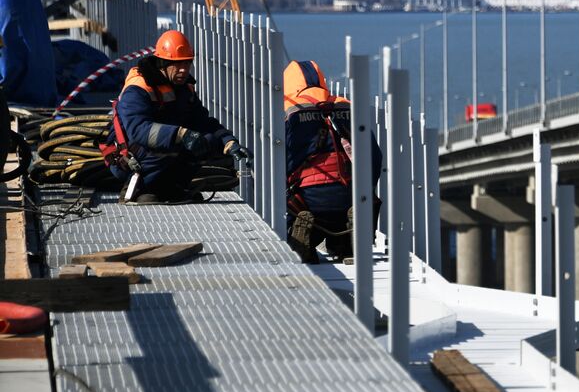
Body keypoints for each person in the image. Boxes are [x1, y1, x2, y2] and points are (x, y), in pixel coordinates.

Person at [105, 29, 249, 204]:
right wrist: (180, 134)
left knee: (207, 141)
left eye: (187, 64)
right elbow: (138, 130)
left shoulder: (183, 88)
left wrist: (228, 141)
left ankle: (172, 190)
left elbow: (202, 121)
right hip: (128, 157)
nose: (184, 69)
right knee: (173, 146)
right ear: (162, 63)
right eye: (177, 64)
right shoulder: (138, 88)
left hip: (156, 152)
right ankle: (136, 190)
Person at [283, 59, 380, 262]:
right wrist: (366, 189)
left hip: (306, 201)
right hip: (349, 195)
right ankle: (351, 236)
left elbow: (279, 164)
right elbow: (374, 156)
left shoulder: (287, 111)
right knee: (359, 208)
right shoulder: (348, 107)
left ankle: (301, 241)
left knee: (292, 216)